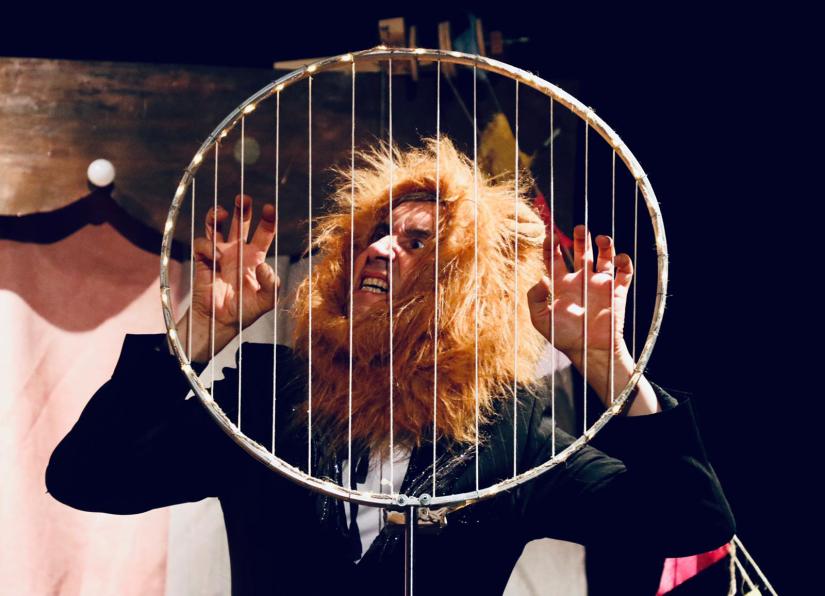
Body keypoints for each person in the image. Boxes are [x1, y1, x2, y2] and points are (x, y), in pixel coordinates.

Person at [46, 138, 735, 595]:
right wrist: (201, 331)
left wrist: (603, 361)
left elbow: (691, 523)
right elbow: (87, 477)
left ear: (465, 282)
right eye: (375, 233)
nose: (378, 249)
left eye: (416, 241)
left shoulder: (510, 430)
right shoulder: (272, 395)